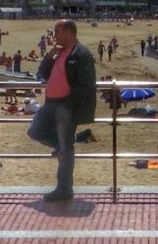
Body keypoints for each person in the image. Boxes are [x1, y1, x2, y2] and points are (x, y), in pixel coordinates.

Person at [28, 19, 96, 202]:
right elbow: (41, 74)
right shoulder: (59, 53)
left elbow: (85, 85)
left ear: (68, 32)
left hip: (66, 107)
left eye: (57, 32)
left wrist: (68, 104)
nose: (54, 35)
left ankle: (64, 188)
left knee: (66, 148)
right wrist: (49, 57)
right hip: (51, 103)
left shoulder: (81, 54)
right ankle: (64, 146)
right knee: (35, 131)